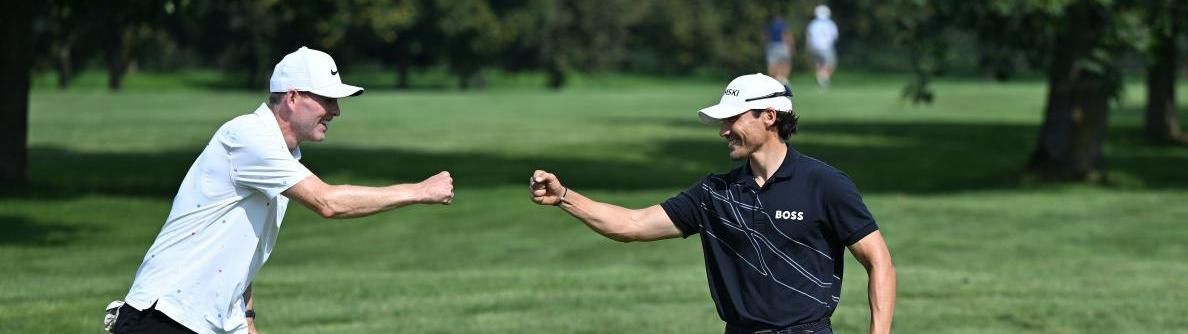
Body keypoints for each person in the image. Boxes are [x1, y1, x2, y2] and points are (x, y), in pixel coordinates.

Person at [106, 46, 455, 334]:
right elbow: (328, 202)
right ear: (291, 97)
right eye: (327, 100)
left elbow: (238, 247)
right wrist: (419, 191)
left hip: (202, 321)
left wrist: (248, 323)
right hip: (163, 317)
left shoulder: (280, 155)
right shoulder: (248, 137)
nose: (336, 111)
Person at [529, 73, 895, 334]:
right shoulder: (715, 193)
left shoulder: (824, 184)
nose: (723, 131)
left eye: (732, 119)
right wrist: (565, 197)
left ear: (769, 116)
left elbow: (879, 261)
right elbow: (633, 225)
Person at [806, 5, 839, 88]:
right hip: (827, 47)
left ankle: (820, 79)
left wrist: (809, 48)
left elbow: (809, 37)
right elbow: (835, 36)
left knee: (819, 65)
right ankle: (823, 78)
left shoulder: (813, 24)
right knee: (832, 65)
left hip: (815, 47)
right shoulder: (830, 23)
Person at [764, 13, 795, 86]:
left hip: (771, 45)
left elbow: (766, 36)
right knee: (785, 64)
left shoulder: (770, 25)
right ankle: (783, 80)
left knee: (772, 64)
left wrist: (766, 45)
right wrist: (791, 46)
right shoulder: (783, 24)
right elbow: (786, 35)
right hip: (782, 46)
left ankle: (773, 82)